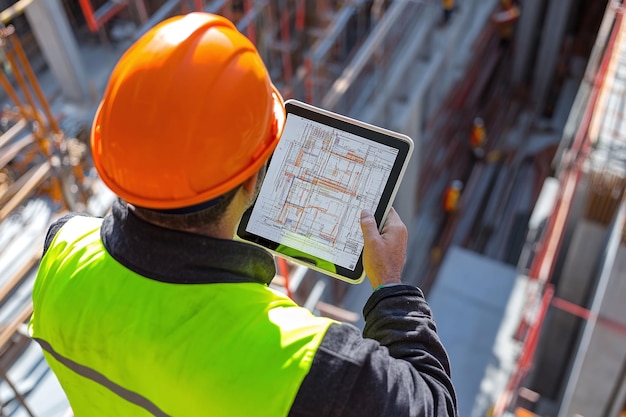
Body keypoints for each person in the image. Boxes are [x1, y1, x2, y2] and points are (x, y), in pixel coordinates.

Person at [28, 12, 457, 417]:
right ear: (254, 181)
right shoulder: (307, 362)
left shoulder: (60, 253)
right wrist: (392, 288)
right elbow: (433, 403)